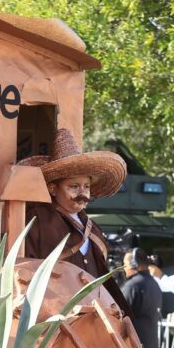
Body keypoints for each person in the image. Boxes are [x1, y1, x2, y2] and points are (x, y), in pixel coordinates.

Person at [21, 128, 130, 315]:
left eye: (86, 187)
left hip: (95, 318)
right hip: (52, 317)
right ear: (53, 188)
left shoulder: (93, 229)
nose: (82, 193)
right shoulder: (37, 220)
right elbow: (25, 270)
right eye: (74, 186)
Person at [120, 248, 163, 348]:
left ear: (133, 265)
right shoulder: (154, 283)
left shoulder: (132, 286)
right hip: (149, 347)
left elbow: (119, 312)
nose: (124, 269)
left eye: (125, 265)